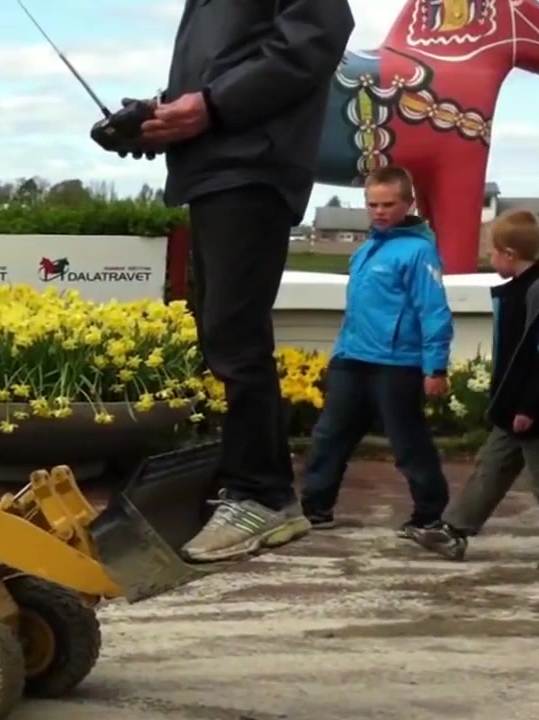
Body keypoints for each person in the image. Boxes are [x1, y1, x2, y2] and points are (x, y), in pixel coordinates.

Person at [130, 0, 355, 563]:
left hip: (253, 167)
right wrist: (154, 119)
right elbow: (218, 71)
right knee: (221, 334)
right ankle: (250, 484)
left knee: (234, 333)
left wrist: (210, 106)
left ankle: (261, 494)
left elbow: (318, 35)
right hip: (213, 171)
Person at [410, 208, 539, 573]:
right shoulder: (519, 292)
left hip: (537, 411)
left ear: (509, 254)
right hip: (514, 407)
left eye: (491, 251)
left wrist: (528, 408)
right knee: (491, 467)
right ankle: (454, 531)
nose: (488, 257)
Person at [299, 165, 454, 538]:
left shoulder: (419, 253)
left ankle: (429, 514)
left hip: (396, 364)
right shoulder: (367, 249)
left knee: (407, 443)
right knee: (329, 436)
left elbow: (433, 310)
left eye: (388, 204)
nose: (380, 211)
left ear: (408, 203)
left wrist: (435, 368)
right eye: (373, 204)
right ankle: (314, 508)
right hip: (352, 359)